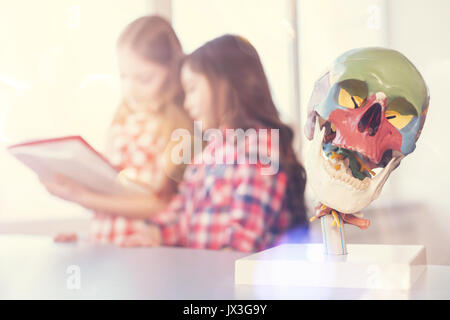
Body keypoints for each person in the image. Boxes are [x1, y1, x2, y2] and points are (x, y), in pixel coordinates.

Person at [44, 34, 308, 252]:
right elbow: (182, 212)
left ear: (225, 85)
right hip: (208, 279)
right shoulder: (211, 150)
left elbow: (243, 242)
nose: (186, 102)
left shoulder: (259, 146)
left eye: (192, 89)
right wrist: (153, 233)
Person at [46, 15, 193, 246]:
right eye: (124, 76)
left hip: (145, 256)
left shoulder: (177, 131)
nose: (130, 89)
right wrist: (85, 241)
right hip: (107, 248)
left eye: (144, 79)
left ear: (172, 73)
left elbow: (164, 204)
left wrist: (83, 197)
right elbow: (114, 195)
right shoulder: (121, 123)